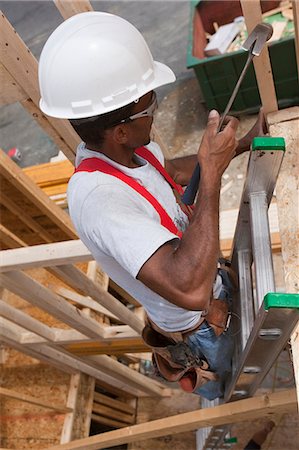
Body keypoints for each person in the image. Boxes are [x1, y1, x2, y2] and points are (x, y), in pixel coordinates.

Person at [38, 11, 265, 400]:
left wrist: (240, 144)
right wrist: (211, 171)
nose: (156, 110)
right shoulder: (100, 201)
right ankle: (227, 396)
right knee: (237, 379)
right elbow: (188, 290)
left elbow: (170, 172)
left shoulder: (124, 152)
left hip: (209, 282)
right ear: (121, 130)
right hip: (202, 322)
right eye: (149, 106)